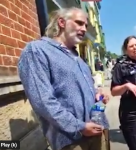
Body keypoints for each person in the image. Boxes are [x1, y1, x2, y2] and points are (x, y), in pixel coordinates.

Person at [18, 8, 110, 150]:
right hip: (72, 140)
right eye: (79, 23)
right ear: (61, 22)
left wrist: (97, 94)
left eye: (85, 25)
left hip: (98, 130)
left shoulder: (78, 59)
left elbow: (83, 90)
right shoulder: (37, 50)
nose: (84, 29)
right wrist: (79, 127)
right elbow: (43, 101)